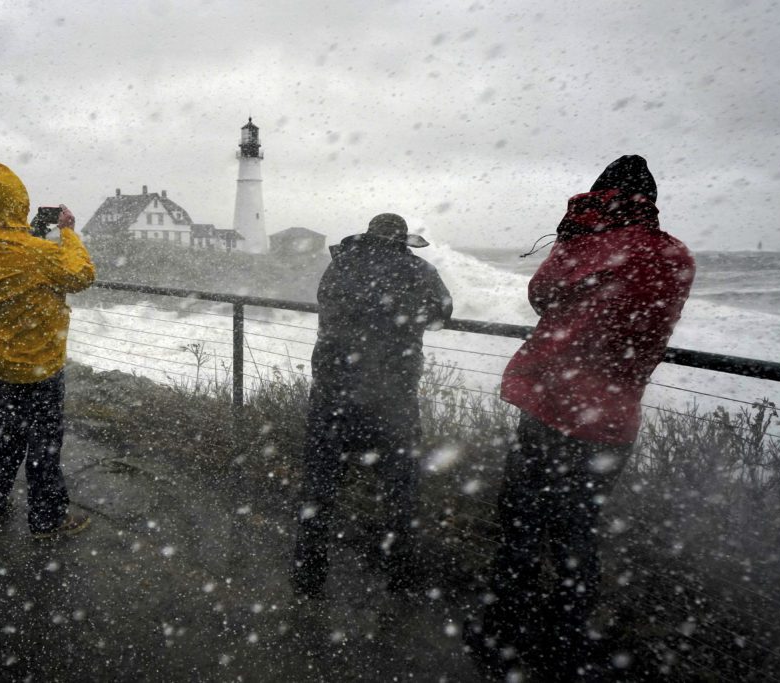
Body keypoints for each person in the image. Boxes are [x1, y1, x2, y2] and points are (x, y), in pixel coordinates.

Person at [467, 156, 695, 678]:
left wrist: (577, 228)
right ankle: (565, 640)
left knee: (523, 525)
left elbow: (540, 295)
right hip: (614, 421)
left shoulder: (588, 246)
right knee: (578, 531)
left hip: (553, 409)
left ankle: (503, 634)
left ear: (601, 197)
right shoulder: (677, 255)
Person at [291, 213, 453, 599]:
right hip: (391, 397)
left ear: (367, 236)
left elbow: (328, 308)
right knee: (400, 488)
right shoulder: (419, 269)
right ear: (402, 240)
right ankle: (400, 577)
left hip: (334, 391)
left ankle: (309, 574)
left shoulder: (338, 266)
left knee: (319, 485)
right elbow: (441, 313)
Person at [0, 162, 96, 539]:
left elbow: (17, 258)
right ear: (19, 204)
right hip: (39, 366)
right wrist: (68, 232)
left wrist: (34, 232)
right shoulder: (37, 255)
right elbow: (80, 275)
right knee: (43, 444)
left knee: (2, 436)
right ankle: (47, 521)